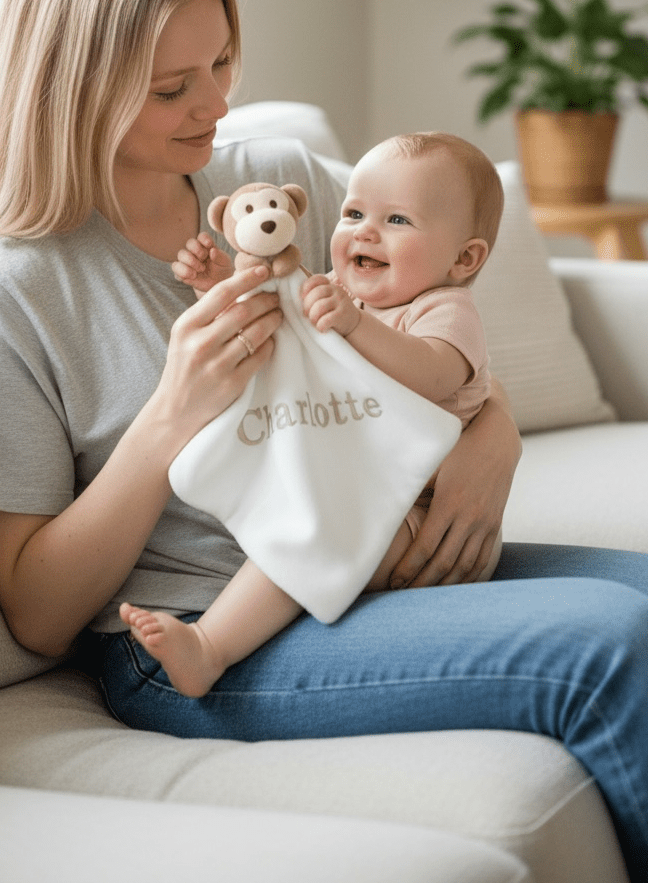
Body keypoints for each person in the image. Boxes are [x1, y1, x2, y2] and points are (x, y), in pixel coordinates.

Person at [0, 0, 648, 883]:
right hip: (198, 633)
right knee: (619, 647)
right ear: (70, 90)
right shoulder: (1, 294)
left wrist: (493, 432)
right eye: (172, 86)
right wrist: (170, 414)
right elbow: (37, 613)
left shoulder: (276, 179)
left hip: (366, 557)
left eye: (222, 63)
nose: (214, 105)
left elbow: (430, 300)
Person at [120, 131, 505, 698]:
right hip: (358, 487)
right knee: (295, 526)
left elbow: (431, 374)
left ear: (464, 258)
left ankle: (209, 648)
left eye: (398, 220)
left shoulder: (445, 312)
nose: (364, 232)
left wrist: (355, 325)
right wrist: (222, 283)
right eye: (353, 213)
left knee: (306, 542)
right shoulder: (339, 293)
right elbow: (281, 325)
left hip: (421, 523)